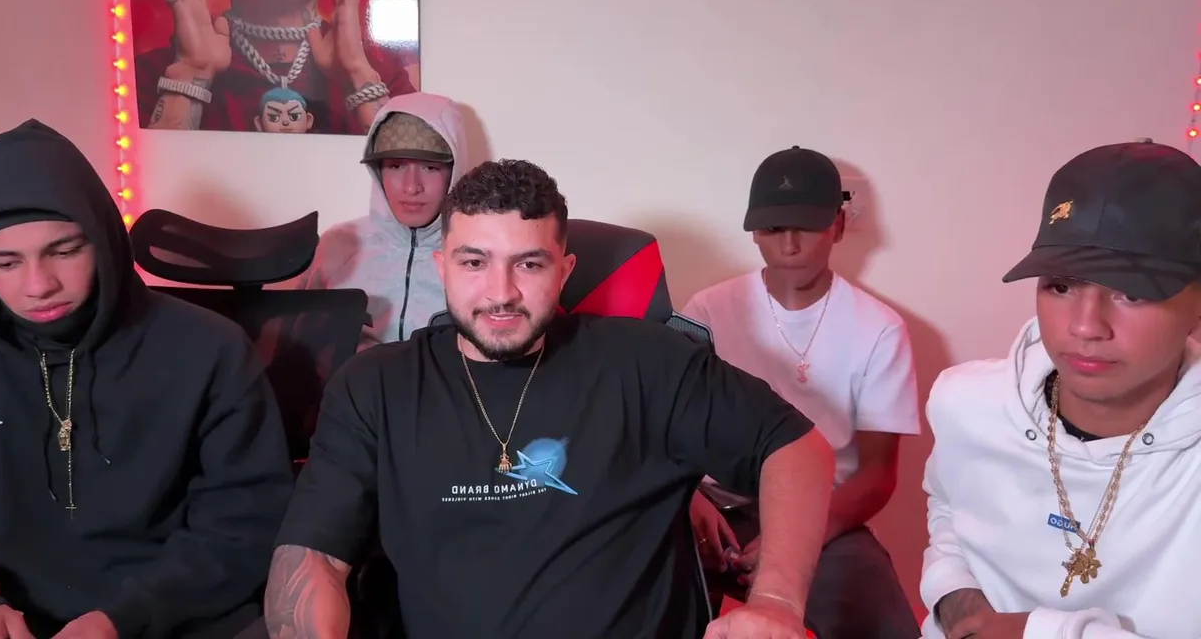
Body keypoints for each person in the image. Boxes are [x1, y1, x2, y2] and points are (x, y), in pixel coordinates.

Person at [263, 159, 836, 637]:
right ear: (443, 268)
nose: (501, 293)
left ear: (564, 270)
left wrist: (776, 603)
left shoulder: (648, 362)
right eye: (474, 262)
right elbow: (313, 558)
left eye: (529, 264)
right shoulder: (374, 387)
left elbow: (794, 448)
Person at [0, 120, 294, 639]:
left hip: (183, 617)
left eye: (64, 251)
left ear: (103, 240)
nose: (38, 285)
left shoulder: (210, 348)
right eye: (5, 262)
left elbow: (245, 523)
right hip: (22, 623)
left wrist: (123, 620)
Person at [919, 140, 1201, 638]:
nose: (1086, 326)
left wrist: (1040, 633)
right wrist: (956, 601)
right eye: (1061, 286)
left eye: (1132, 292)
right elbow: (949, 510)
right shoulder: (966, 404)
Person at [682, 146, 921, 637]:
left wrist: (796, 538)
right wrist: (688, 499)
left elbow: (877, 475)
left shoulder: (879, 328)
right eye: (773, 229)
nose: (789, 246)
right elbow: (668, 430)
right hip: (714, 505)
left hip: (824, 509)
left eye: (806, 227)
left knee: (875, 615)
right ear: (753, 232)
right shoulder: (707, 311)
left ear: (838, 225)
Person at [136, 0, 415, 133]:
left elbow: (414, 179)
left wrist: (357, 76)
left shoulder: (383, 77)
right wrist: (190, 75)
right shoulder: (150, 76)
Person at [297, 91, 475, 351]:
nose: (411, 187)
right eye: (396, 166)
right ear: (377, 170)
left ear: (455, 171)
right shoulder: (340, 244)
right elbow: (298, 342)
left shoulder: (480, 255)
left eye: (430, 167)